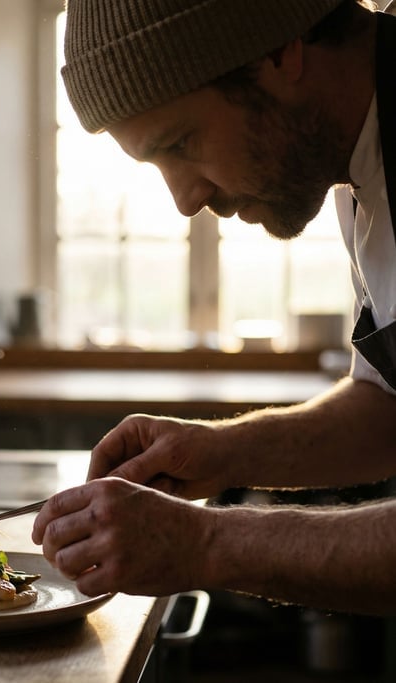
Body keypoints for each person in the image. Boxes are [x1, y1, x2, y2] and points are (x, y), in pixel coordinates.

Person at [31, 0, 396, 616]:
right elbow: (387, 406)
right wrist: (215, 453)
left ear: (280, 52)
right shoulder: (360, 162)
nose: (184, 199)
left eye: (182, 143)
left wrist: (203, 541)